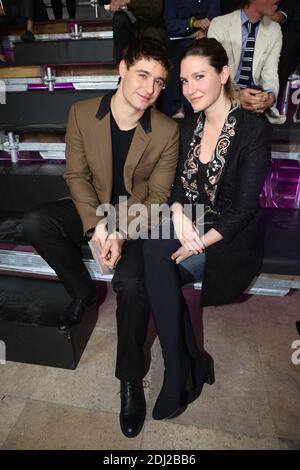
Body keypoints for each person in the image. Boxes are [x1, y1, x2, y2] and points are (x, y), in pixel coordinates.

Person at [22, 37, 179, 438]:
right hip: (93, 206)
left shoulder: (165, 130)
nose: (150, 88)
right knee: (38, 222)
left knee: (131, 283)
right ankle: (83, 291)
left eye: (160, 82)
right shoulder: (81, 112)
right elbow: (75, 175)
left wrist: (121, 232)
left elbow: (158, 196)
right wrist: (97, 227)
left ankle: (130, 377)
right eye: (143, 74)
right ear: (123, 69)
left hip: (138, 218)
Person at [142, 38, 272, 420]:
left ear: (224, 74)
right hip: (192, 222)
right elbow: (177, 187)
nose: (190, 89)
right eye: (183, 81)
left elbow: (246, 208)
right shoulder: (187, 127)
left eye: (199, 77)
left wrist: (199, 242)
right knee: (151, 253)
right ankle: (187, 362)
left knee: (153, 267)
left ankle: (183, 367)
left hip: (228, 241)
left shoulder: (252, 131)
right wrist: (180, 214)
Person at [208, 0, 283, 123]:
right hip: (224, 97)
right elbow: (213, 73)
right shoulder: (219, 24)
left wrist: (270, 97)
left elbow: (270, 71)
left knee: (257, 126)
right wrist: (236, 95)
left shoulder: (275, 30)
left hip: (255, 101)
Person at [162, 0, 220, 117]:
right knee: (181, 51)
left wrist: (207, 32)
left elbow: (216, 18)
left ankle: (190, 105)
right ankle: (177, 106)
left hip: (206, 36)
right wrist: (193, 23)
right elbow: (170, 24)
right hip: (179, 39)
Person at [99, 0, 165, 64]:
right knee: (119, 19)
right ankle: (122, 65)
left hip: (152, 25)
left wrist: (128, 1)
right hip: (129, 24)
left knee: (152, 35)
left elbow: (155, 9)